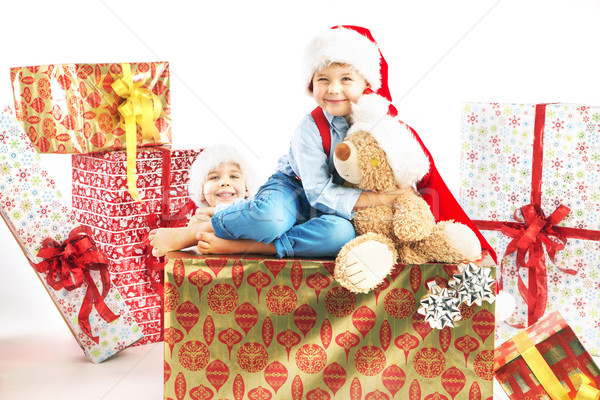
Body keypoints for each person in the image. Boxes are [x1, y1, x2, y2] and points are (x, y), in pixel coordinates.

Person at [196, 25, 416, 258]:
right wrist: (379, 199)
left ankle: (255, 247)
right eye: (323, 79)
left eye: (346, 79)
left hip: (337, 207)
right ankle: (204, 227)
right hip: (292, 189)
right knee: (269, 220)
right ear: (312, 83)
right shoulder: (310, 127)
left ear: (367, 83)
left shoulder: (381, 127)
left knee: (342, 235)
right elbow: (318, 193)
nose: (333, 89)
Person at [148, 144, 264, 257]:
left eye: (233, 176)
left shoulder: (255, 209)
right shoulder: (198, 220)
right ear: (201, 192)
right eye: (214, 177)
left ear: (246, 188)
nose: (224, 182)